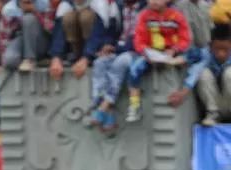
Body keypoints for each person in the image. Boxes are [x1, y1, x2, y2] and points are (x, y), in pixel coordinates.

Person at [168, 23, 231, 126]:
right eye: (217, 49)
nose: (221, 54)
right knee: (203, 73)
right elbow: (195, 73)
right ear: (210, 45)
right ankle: (212, 114)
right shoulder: (206, 53)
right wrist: (182, 93)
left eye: (225, 49)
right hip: (214, 103)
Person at [125, 0, 189, 123]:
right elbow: (139, 40)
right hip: (150, 54)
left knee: (186, 60)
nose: (153, 1)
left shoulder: (176, 16)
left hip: (171, 54)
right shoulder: (144, 16)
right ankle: (135, 105)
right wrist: (145, 52)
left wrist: (174, 50)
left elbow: (185, 39)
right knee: (134, 69)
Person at [88, 0, 142, 131]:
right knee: (100, 63)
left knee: (120, 63)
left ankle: (103, 107)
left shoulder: (144, 8)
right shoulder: (118, 8)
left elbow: (139, 39)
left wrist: (116, 48)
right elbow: (110, 32)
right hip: (119, 48)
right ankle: (106, 111)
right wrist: (106, 46)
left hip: (136, 52)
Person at [49, 0, 109, 80]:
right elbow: (58, 33)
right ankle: (75, 56)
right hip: (76, 48)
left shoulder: (100, 3)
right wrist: (56, 58)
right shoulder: (65, 4)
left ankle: (87, 59)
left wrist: (86, 58)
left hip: (96, 50)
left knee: (85, 16)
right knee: (68, 18)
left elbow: (98, 34)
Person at [0, 0, 54, 71]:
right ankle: (34, 61)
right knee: (10, 61)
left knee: (28, 18)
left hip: (41, 41)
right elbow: (5, 37)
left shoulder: (45, 4)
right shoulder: (8, 9)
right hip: (21, 39)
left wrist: (35, 12)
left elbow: (51, 30)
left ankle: (30, 60)